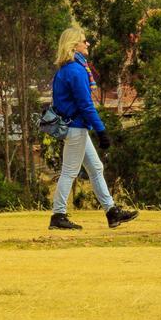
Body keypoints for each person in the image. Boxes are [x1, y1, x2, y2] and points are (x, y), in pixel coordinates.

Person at [48, 27, 138, 230]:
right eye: (84, 41)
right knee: (70, 171)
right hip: (77, 128)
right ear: (74, 46)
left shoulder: (67, 70)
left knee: (96, 168)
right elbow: (85, 105)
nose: (87, 43)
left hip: (74, 127)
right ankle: (58, 215)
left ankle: (112, 212)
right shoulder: (76, 70)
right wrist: (101, 130)